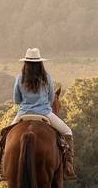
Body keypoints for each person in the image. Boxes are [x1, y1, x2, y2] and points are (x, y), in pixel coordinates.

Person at [11, 48, 75, 178]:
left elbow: (16, 100)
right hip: (45, 113)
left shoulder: (19, 78)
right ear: (40, 63)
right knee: (68, 132)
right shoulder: (47, 78)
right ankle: (68, 165)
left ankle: (2, 166)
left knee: (5, 135)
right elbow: (52, 98)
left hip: (23, 114)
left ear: (26, 63)